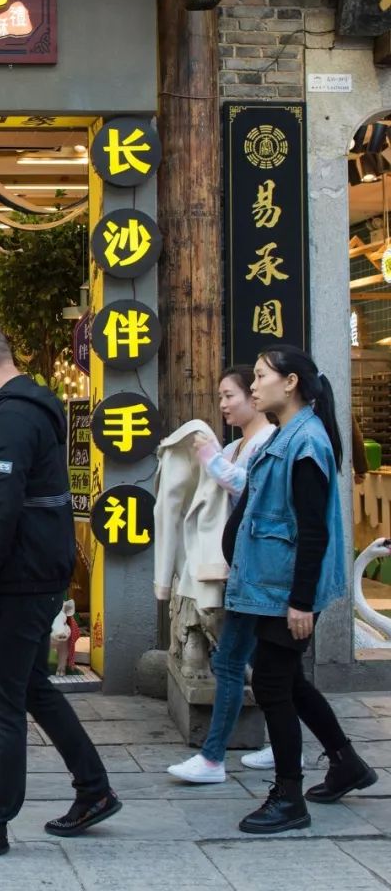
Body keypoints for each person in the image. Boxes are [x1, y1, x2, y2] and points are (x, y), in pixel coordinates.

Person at [0, 313, 120, 860]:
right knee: (32, 686)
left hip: (15, 578)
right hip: (37, 569)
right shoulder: (38, 400)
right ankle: (94, 788)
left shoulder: (9, 416)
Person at [225, 345, 378, 834]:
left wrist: (301, 602)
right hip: (270, 585)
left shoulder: (305, 442)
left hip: (285, 592)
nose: (253, 385)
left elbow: (314, 531)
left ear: (290, 383)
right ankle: (346, 763)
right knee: (288, 681)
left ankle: (288, 795)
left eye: (262, 375)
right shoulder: (288, 435)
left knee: (271, 683)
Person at [167, 365, 277, 785]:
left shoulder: (265, 442)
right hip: (238, 567)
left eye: (231, 395)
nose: (225, 404)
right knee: (262, 663)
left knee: (231, 661)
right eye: (220, 397)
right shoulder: (237, 445)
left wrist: (209, 459)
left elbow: (250, 488)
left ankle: (213, 758)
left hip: (254, 570)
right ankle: (297, 747)